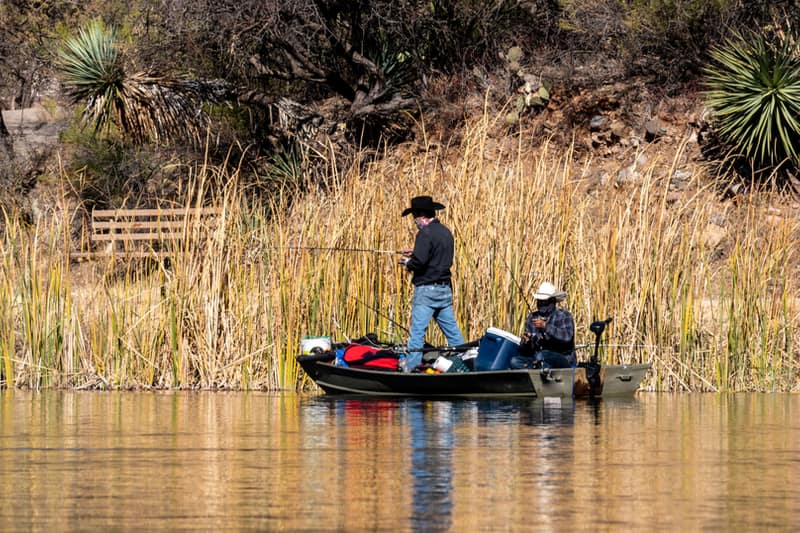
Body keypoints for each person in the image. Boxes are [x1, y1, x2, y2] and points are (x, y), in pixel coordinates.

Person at [397, 195, 465, 372]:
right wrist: (416, 252)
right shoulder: (445, 232)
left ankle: (410, 367)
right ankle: (466, 361)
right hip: (444, 290)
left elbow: (419, 263)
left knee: (417, 332)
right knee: (453, 332)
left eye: (415, 217)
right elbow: (434, 256)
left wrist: (407, 262)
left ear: (421, 216)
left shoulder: (424, 234)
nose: (415, 222)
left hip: (427, 290)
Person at [510, 281, 576, 369]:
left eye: (544, 302)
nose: (540, 304)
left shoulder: (564, 315)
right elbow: (527, 348)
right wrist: (527, 341)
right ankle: (539, 369)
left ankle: (541, 368)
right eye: (539, 301)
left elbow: (567, 337)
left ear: (552, 301)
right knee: (514, 361)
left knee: (541, 356)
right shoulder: (532, 317)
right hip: (538, 357)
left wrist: (545, 326)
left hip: (562, 358)